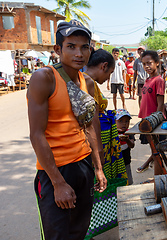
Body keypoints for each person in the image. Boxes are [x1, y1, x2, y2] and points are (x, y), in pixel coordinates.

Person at [27, 19, 106, 240]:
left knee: (79, 231)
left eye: (84, 47)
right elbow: (36, 134)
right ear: (58, 49)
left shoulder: (87, 82)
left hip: (83, 165)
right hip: (55, 170)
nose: (79, 53)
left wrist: (98, 168)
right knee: (57, 236)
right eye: (71, 46)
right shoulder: (44, 78)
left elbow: (90, 126)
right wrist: (58, 183)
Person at [83, 49, 128, 239]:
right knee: (95, 185)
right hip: (93, 145)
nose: (109, 76)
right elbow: (91, 125)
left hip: (100, 142)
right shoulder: (87, 83)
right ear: (103, 67)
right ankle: (88, 227)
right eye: (109, 73)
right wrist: (99, 156)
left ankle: (89, 225)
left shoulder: (85, 80)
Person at [137, 50, 165, 176]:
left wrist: (157, 121)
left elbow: (160, 103)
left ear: (157, 63)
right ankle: (153, 163)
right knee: (152, 145)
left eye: (149, 63)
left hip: (154, 120)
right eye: (144, 64)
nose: (146, 66)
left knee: (156, 146)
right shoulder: (148, 79)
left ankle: (151, 166)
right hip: (146, 119)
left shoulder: (159, 80)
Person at [115, 109, 135, 185]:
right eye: (121, 121)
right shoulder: (112, 132)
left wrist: (127, 140)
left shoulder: (129, 132)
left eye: (126, 121)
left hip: (125, 161)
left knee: (128, 181)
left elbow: (132, 145)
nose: (124, 124)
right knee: (117, 181)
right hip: (115, 162)